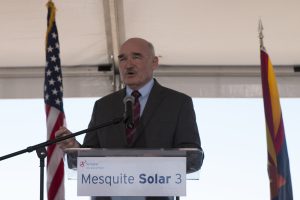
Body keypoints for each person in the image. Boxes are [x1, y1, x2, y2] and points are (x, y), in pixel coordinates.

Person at [56, 38, 203, 200]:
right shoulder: (103, 105)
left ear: (154, 63)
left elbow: (194, 158)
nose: (128, 64)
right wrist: (74, 146)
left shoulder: (177, 103)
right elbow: (90, 157)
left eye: (136, 57)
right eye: (123, 58)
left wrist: (161, 160)